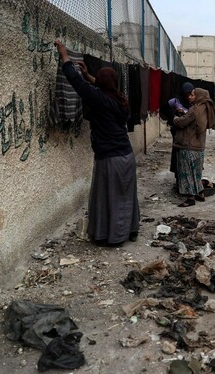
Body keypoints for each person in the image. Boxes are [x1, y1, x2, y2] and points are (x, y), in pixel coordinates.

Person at [54, 40, 139, 246]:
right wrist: (89, 76)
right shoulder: (121, 99)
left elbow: (76, 82)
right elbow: (99, 89)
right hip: (127, 157)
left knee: (109, 198)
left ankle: (112, 236)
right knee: (126, 196)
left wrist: (64, 55)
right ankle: (130, 230)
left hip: (110, 158)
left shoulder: (100, 99)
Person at [172, 85, 215, 207]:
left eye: (192, 94)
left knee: (186, 173)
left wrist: (175, 118)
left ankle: (190, 198)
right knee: (196, 173)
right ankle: (200, 193)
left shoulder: (195, 109)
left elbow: (182, 122)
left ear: (199, 96)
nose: (190, 97)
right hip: (199, 146)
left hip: (188, 146)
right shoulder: (205, 108)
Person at [167, 83, 193, 191]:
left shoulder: (194, 104)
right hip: (178, 136)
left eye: (189, 94)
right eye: (186, 95)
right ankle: (179, 182)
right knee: (178, 159)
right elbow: (167, 113)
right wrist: (176, 113)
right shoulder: (176, 102)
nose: (188, 97)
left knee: (189, 161)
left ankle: (189, 184)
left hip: (190, 137)